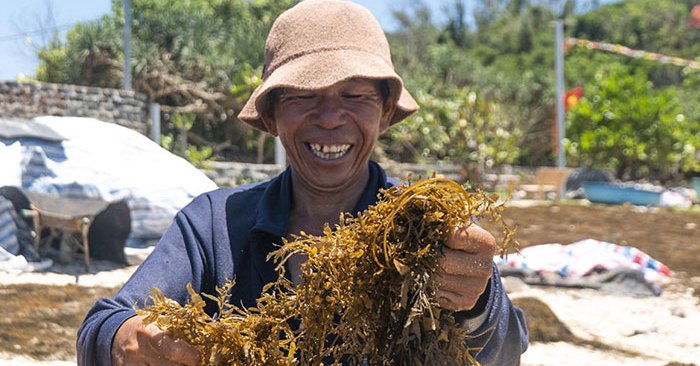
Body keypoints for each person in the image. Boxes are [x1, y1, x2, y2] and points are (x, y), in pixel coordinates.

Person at [77, 0, 528, 364]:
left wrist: (476, 299)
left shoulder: (424, 230)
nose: (330, 118)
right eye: (303, 97)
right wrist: (127, 339)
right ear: (271, 116)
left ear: (385, 112)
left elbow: (505, 349)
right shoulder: (213, 225)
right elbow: (101, 325)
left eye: (355, 95)